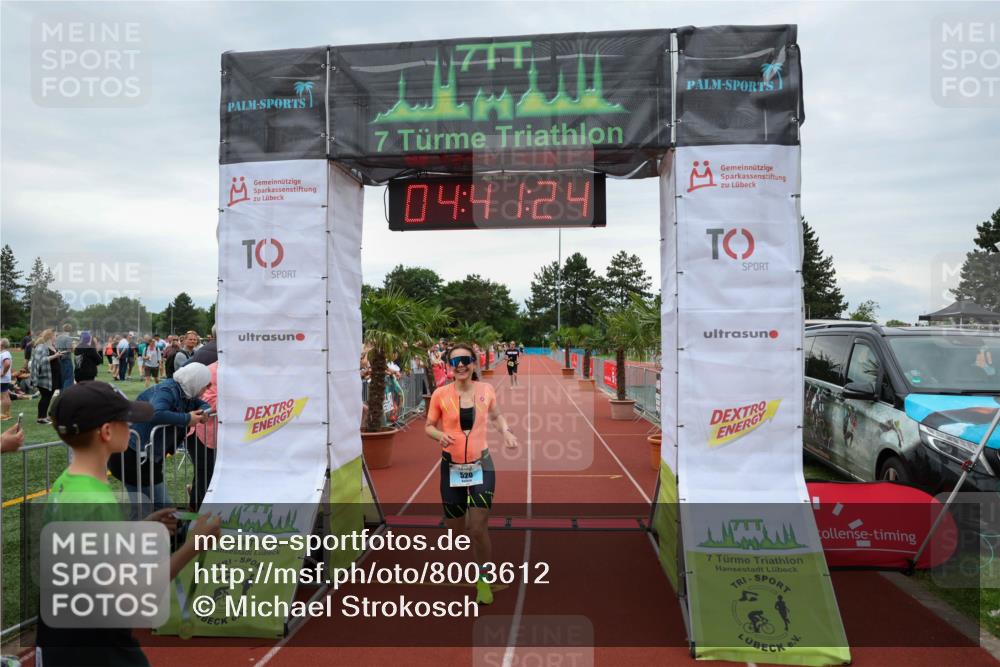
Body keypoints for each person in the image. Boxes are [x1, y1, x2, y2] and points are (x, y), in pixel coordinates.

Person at [35, 381, 221, 667]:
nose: (133, 426)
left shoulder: (69, 483)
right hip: (95, 647)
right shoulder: (93, 500)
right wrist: (195, 545)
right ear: (107, 432)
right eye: (127, 420)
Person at [424, 343, 518, 605]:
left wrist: (507, 431)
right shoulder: (440, 394)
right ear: (449, 367)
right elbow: (428, 426)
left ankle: (483, 580)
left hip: (481, 465)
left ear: (474, 364)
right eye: (456, 361)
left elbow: (497, 416)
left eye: (466, 360)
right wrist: (438, 435)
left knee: (477, 528)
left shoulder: (486, 390)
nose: (461, 365)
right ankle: (462, 516)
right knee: (456, 531)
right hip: (451, 467)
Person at [108, 363, 211, 513]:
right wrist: (187, 418)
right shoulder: (168, 390)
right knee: (152, 510)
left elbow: (202, 404)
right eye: (205, 385)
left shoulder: (185, 392)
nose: (207, 389)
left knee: (155, 510)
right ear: (195, 381)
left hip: (145, 457)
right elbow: (156, 413)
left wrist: (204, 411)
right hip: (132, 457)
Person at [189, 361, 218, 511]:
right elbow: (203, 402)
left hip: (212, 434)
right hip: (201, 433)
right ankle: (198, 515)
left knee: (204, 474)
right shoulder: (213, 370)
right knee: (205, 475)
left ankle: (195, 509)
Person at [30, 329, 63, 424]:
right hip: (45, 377)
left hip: (53, 376)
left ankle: (44, 416)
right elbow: (41, 361)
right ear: (50, 336)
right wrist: (55, 356)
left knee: (48, 397)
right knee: (45, 397)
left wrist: (58, 355)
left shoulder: (52, 346)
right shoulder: (41, 347)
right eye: (55, 336)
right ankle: (40, 418)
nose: (56, 338)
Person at [55, 323, 75, 390]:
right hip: (66, 359)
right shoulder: (68, 338)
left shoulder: (58, 337)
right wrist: (73, 347)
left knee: (62, 378)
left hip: (59, 358)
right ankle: (66, 394)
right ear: (70, 330)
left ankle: (62, 394)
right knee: (69, 378)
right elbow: (69, 349)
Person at [1, 338, 12, 419]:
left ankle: (4, 414)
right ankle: (7, 414)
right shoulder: (6, 353)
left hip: (2, 378)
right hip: (5, 378)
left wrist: (3, 372)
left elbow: (7, 364)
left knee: (4, 396)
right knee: (6, 395)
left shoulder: (4, 354)